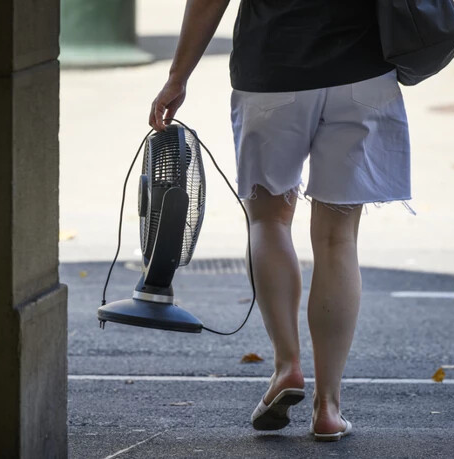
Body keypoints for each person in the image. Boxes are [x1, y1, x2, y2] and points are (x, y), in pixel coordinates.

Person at [149, 0, 411, 442]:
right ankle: (328, 408)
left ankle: (287, 366)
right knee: (337, 241)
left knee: (268, 221)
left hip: (272, 70)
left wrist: (178, 77)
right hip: (363, 72)